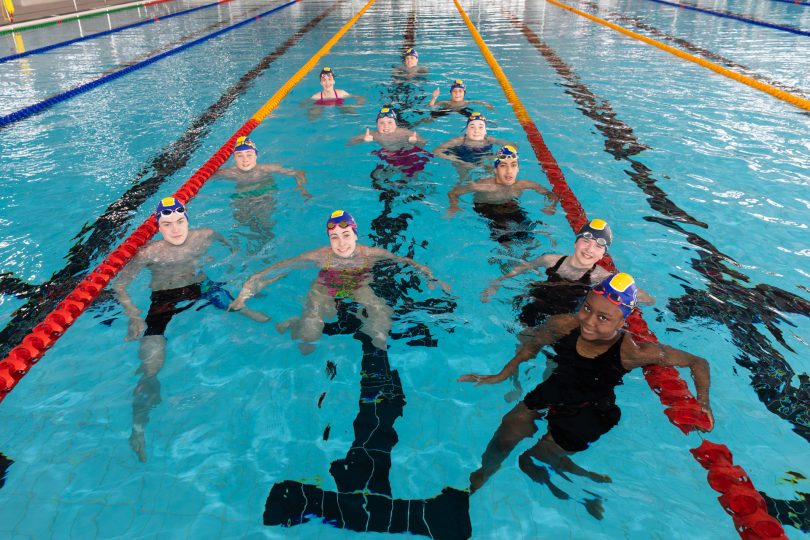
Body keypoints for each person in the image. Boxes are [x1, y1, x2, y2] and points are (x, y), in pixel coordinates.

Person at [459, 273, 713, 517]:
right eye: (587, 308)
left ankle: (586, 493)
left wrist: (703, 401)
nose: (589, 321)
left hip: (589, 411)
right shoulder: (563, 324)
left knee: (531, 463)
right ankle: (476, 482)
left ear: (621, 323)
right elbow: (532, 346)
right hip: (556, 389)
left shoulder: (632, 352)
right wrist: (501, 375)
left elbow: (697, 362)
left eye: (603, 318)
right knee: (508, 430)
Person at [113, 198, 272, 462]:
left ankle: (240, 308)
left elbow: (231, 248)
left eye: (179, 221)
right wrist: (133, 315)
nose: (175, 230)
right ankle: (138, 425)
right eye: (167, 224)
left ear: (187, 219)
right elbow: (120, 286)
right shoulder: (148, 253)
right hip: (164, 297)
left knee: (231, 302)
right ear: (158, 227)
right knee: (152, 362)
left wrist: (233, 264)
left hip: (200, 284)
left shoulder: (205, 236)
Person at [228, 210, 450, 352]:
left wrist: (431, 277)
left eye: (346, 236)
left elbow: (406, 261)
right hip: (324, 289)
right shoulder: (319, 256)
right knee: (307, 341)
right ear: (329, 239)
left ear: (355, 234)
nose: (341, 243)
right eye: (334, 237)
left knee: (380, 325)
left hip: (359, 287)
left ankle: (375, 354)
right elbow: (271, 271)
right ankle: (296, 323)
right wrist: (243, 296)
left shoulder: (370, 252)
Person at [482, 218, 655, 324]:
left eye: (598, 246)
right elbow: (522, 268)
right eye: (586, 241)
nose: (589, 249)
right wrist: (496, 283)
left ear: (603, 254)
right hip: (534, 305)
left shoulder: (601, 276)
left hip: (563, 318)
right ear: (576, 242)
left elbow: (643, 297)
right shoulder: (550, 260)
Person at [447, 145, 557, 246]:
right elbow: (454, 192)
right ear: (495, 170)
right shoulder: (484, 185)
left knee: (529, 236)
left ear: (518, 169)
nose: (509, 171)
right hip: (487, 207)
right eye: (503, 166)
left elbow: (550, 194)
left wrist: (551, 206)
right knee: (505, 239)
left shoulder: (522, 184)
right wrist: (454, 206)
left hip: (510, 207)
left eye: (513, 165)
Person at [214, 137, 310, 252]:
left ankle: (268, 245)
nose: (245, 160)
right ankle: (245, 249)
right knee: (242, 222)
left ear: (256, 156)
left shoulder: (267, 168)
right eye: (240, 155)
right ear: (234, 158)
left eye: (249, 154)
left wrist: (302, 188)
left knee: (265, 223)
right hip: (243, 197)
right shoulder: (231, 173)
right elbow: (207, 177)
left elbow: (298, 173)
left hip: (264, 196)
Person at [433, 113, 516, 182]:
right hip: (461, 157)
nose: (476, 131)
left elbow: (513, 146)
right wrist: (459, 160)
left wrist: (498, 156)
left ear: (485, 131)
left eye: (480, 127)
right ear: (467, 130)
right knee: (465, 180)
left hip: (482, 156)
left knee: (493, 173)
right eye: (472, 127)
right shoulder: (459, 141)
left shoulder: (489, 139)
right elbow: (436, 151)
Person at [428, 79, 493, 114]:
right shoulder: (446, 102)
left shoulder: (467, 102)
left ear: (464, 93)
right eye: (454, 91)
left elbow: (482, 102)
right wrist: (434, 97)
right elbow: (431, 106)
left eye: (460, 91)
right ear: (451, 93)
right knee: (432, 115)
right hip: (448, 110)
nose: (457, 93)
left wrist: (488, 105)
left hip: (463, 110)